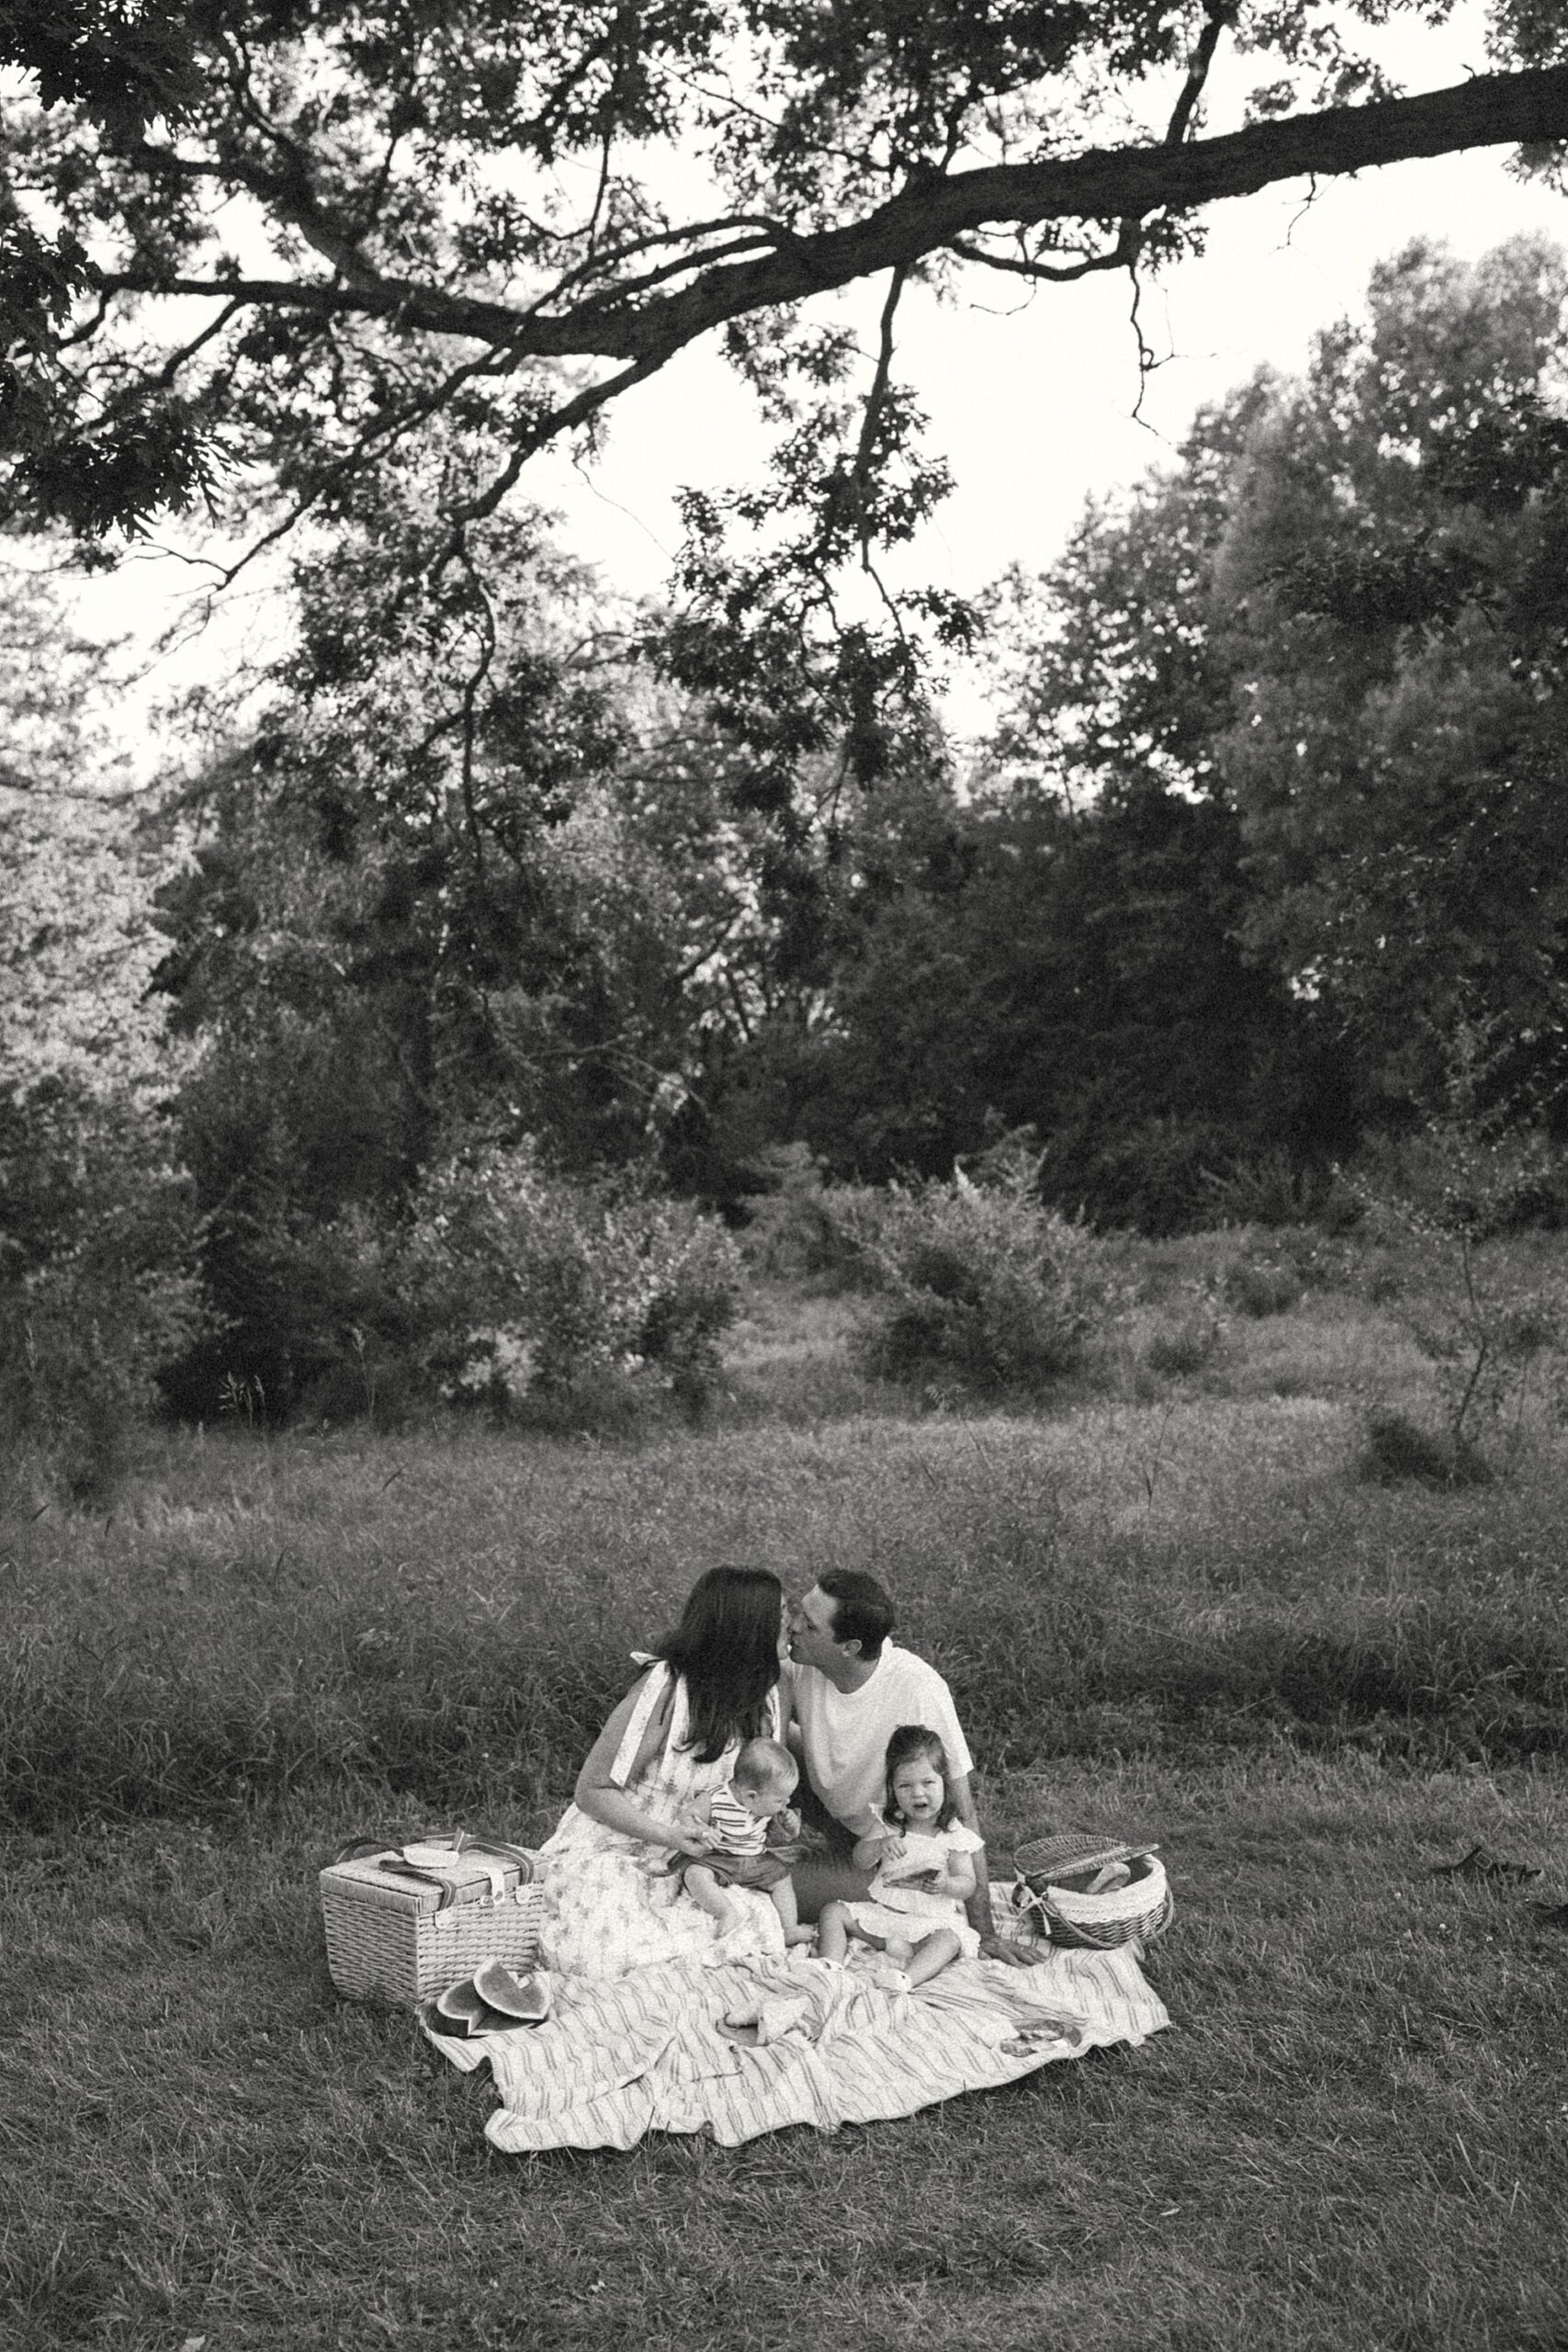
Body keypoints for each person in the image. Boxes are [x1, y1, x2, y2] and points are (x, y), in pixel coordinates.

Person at [534, 1566, 794, 1980]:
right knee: (604, 1954)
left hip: (708, 1866)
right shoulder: (668, 1687)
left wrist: (774, 1817)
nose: (791, 1623)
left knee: (757, 1939)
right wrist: (670, 1836)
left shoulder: (769, 1697)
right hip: (623, 1848)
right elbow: (593, 1790)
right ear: (748, 1627)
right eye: (781, 1612)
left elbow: (758, 1791)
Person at [785, 1567, 1043, 1966]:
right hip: (844, 1815)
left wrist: (983, 1931)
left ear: (849, 1647)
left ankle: (844, 1880)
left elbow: (963, 1812)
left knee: (772, 1888)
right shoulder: (802, 1659)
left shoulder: (917, 1689)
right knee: (777, 1740)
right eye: (798, 1612)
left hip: (890, 1848)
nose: (794, 1626)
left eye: (809, 1625)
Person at [816, 1724, 983, 1988]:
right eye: (905, 1785)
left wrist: (947, 1884)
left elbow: (968, 1883)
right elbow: (860, 1860)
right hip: (884, 1921)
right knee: (833, 1912)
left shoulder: (952, 1833)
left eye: (928, 1783)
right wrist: (880, 1845)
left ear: (944, 1782)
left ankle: (906, 1978)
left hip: (928, 1927)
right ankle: (829, 1965)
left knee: (950, 1939)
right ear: (892, 1788)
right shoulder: (888, 1823)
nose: (918, 1793)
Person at [665, 1736, 814, 1947]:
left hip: (756, 1859)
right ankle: (726, 1912)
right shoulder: (715, 1798)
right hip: (719, 1858)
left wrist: (792, 1826)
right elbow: (688, 1817)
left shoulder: (767, 1805)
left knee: (782, 1880)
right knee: (694, 1874)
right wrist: (703, 1830)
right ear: (751, 1796)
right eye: (780, 1799)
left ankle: (788, 1928)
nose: (786, 1803)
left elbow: (787, 1837)